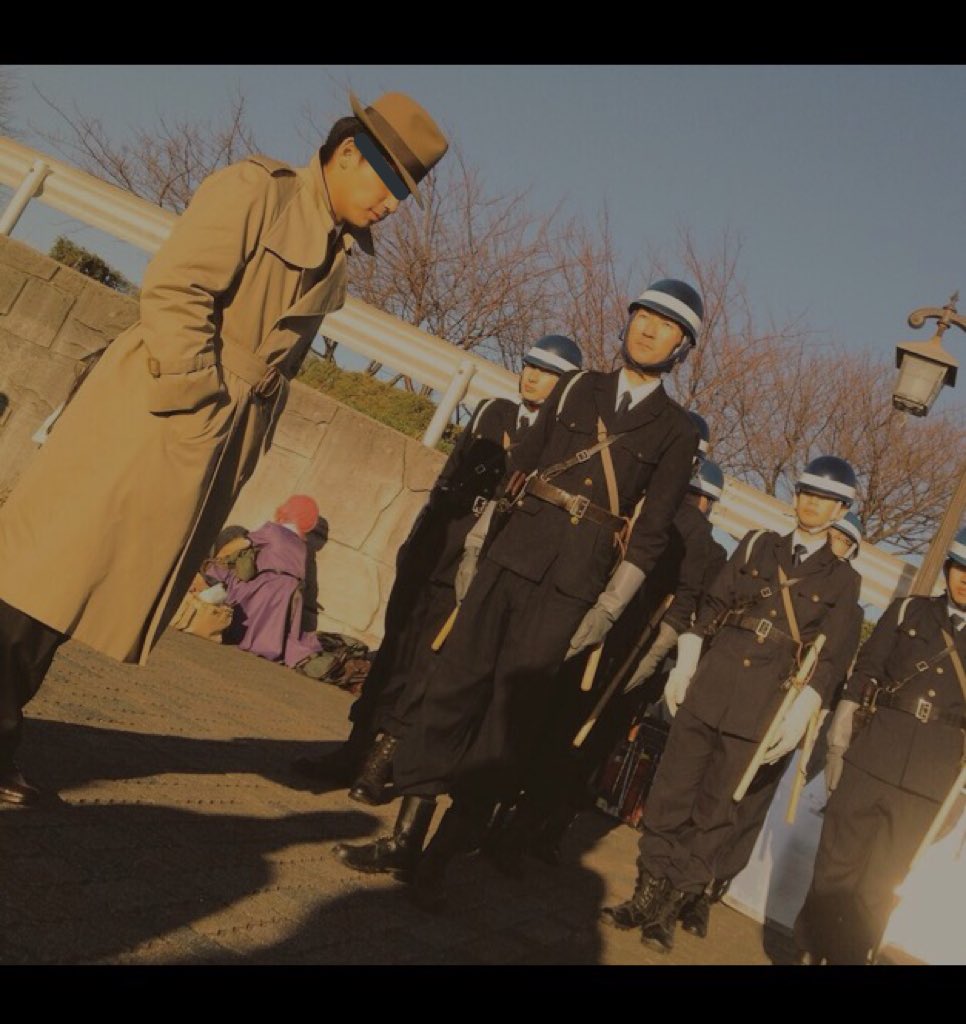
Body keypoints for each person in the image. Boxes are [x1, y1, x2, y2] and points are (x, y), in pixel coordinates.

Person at [0, 91, 448, 807]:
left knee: (70, 587)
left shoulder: (332, 248)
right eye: (389, 183)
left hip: (207, 436)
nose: (392, 205)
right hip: (154, 415)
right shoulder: (259, 191)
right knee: (44, 576)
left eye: (405, 193)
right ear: (347, 154)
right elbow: (176, 287)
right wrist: (197, 400)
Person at [333, 279, 704, 906]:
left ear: (682, 347)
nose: (647, 329)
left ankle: (441, 861)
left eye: (665, 325)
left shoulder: (675, 430)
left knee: (508, 718)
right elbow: (520, 468)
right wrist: (480, 544)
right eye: (642, 315)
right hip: (511, 556)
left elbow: (650, 534)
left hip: (572, 586)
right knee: (451, 691)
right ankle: (403, 839)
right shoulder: (578, 387)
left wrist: (610, 607)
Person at [292, 335, 583, 802]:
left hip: (475, 560)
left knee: (429, 661)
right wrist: (416, 538)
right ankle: (354, 747)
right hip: (434, 544)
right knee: (394, 646)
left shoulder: (554, 443)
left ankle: (383, 759)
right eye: (530, 365)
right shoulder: (492, 412)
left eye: (546, 372)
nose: (532, 376)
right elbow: (449, 475)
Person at [602, 455, 864, 952]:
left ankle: (669, 909)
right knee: (670, 794)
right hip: (712, 685)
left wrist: (803, 708)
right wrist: (686, 661)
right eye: (807, 493)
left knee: (716, 812)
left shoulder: (843, 580)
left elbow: (831, 658)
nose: (812, 503)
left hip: (761, 707)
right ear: (796, 496)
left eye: (826, 499)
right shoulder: (758, 544)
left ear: (840, 510)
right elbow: (713, 606)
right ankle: (644, 893)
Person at [483, 455, 729, 875]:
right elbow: (689, 605)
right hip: (624, 647)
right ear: (708, 501)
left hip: (603, 635)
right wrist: (655, 656)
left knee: (558, 730)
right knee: (579, 746)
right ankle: (530, 831)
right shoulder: (699, 537)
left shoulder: (663, 516)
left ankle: (511, 820)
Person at [678, 507, 867, 940]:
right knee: (715, 792)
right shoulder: (778, 559)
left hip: (788, 709)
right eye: (833, 536)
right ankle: (683, 876)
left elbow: (835, 665)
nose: (835, 545)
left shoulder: (848, 603)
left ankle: (709, 889)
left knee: (750, 802)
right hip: (752, 696)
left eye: (844, 542)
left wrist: (810, 711)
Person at [793, 525, 966, 965]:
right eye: (961, 567)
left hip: (930, 779)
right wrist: (841, 733)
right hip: (873, 756)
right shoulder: (909, 611)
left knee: (880, 887)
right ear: (948, 567)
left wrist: (959, 795)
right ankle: (810, 952)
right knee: (835, 866)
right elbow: (867, 671)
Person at [201, 494, 324, 668]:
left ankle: (208, 606)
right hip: (289, 598)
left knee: (218, 569)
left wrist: (219, 558)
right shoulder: (303, 547)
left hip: (264, 589)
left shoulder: (273, 530)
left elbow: (243, 543)